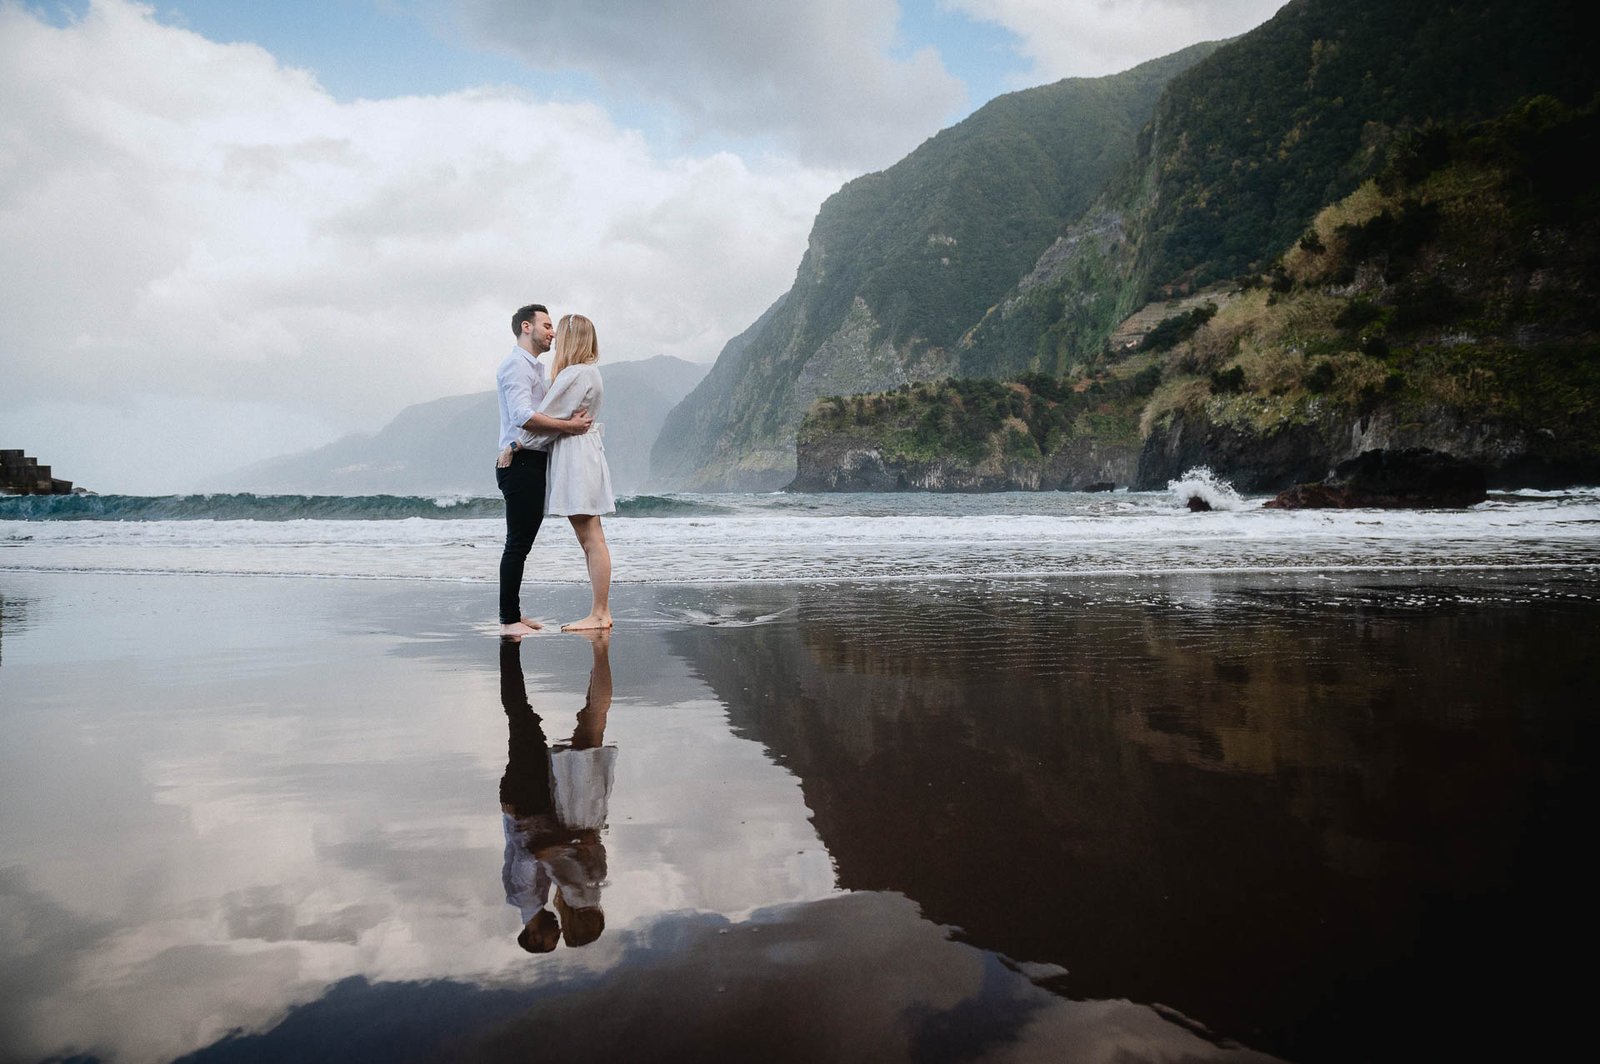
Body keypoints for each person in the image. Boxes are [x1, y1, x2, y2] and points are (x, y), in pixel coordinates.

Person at [495, 303, 593, 639]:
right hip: (520, 464)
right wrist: (568, 426)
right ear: (527, 327)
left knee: (521, 544)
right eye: (547, 326)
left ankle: (514, 612)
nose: (553, 333)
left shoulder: (534, 368)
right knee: (518, 544)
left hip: (529, 460)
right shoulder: (516, 366)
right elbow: (523, 416)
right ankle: (508, 619)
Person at [527, 313, 616, 631]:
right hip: (586, 454)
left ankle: (600, 612)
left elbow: (541, 419)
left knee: (591, 539)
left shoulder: (574, 374)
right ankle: (600, 611)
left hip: (577, 458)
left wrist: (520, 443)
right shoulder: (590, 372)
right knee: (593, 537)